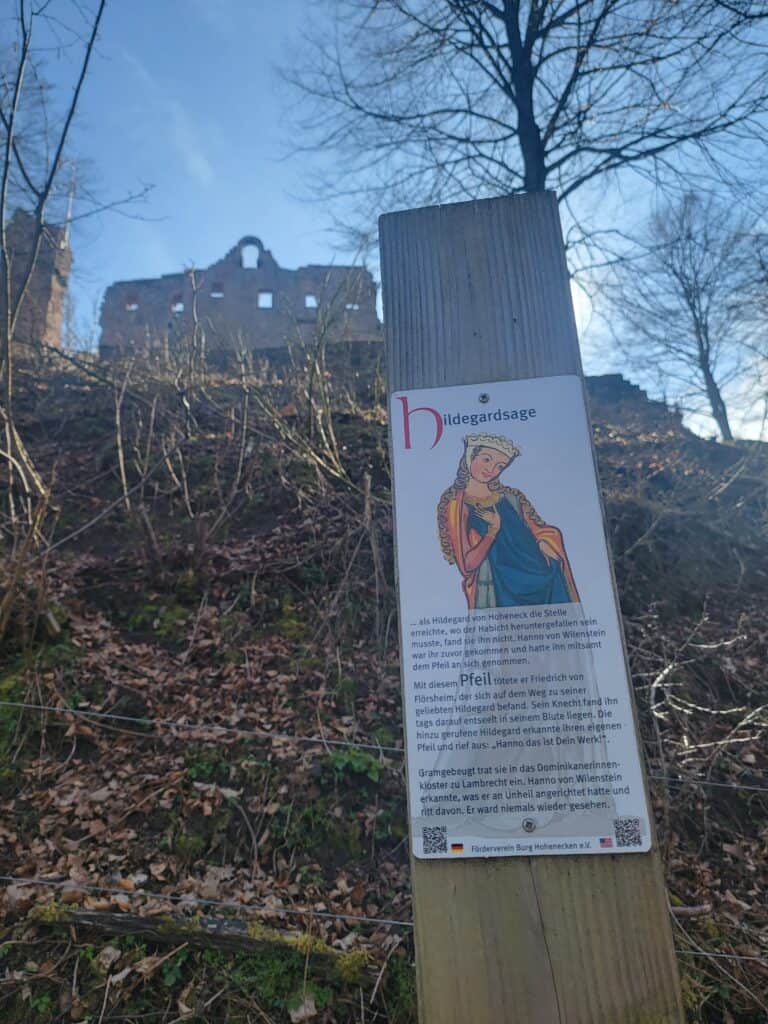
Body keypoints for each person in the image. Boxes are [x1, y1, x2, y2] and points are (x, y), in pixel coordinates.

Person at [436, 433, 579, 609]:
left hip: (541, 577)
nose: (491, 469)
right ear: (470, 456)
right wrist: (492, 531)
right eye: (486, 459)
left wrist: (544, 543)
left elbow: (541, 531)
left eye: (500, 466)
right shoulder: (458, 506)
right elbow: (467, 565)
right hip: (501, 589)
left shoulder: (512, 498)